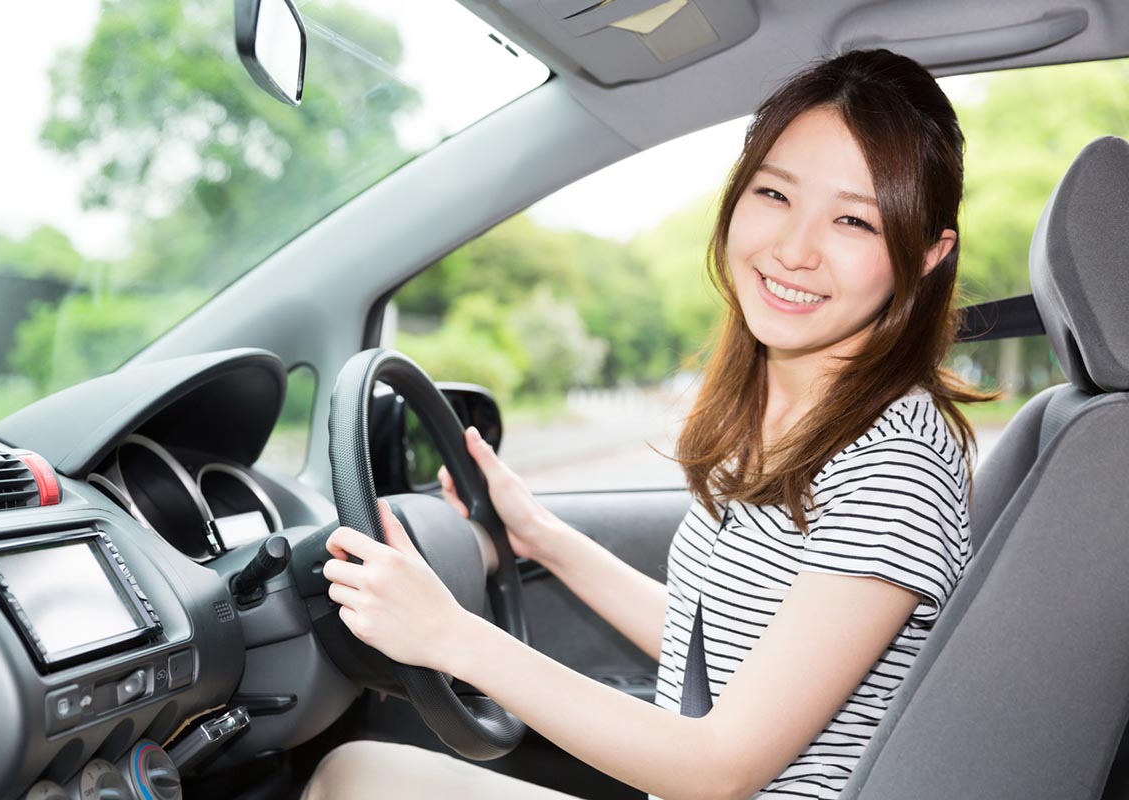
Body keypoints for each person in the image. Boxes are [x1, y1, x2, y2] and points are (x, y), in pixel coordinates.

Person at [303, 48, 993, 799]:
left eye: (854, 219)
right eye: (775, 195)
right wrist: (540, 536)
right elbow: (720, 645)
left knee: (352, 776)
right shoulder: (780, 411)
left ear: (928, 255)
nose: (794, 250)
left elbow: (721, 767)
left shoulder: (896, 464)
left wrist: (450, 635)